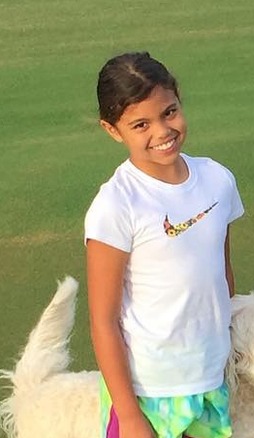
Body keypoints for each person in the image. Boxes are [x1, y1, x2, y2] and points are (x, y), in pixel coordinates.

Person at [85, 52, 244, 438]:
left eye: (169, 113)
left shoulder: (216, 179)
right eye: (140, 124)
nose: (162, 132)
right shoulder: (116, 205)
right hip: (147, 393)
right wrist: (131, 418)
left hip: (209, 380)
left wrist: (223, 356)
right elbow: (103, 322)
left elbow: (221, 277)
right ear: (112, 129)